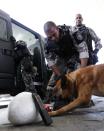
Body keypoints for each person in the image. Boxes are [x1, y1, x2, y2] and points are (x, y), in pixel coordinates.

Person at [43, 21, 89, 90]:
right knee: (51, 86)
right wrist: (60, 76)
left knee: (80, 80)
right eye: (50, 37)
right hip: (61, 59)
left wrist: (82, 71)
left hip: (75, 55)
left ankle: (84, 98)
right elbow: (51, 62)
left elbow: (83, 50)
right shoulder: (47, 44)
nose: (53, 38)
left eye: (54, 34)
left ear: (57, 28)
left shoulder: (71, 31)